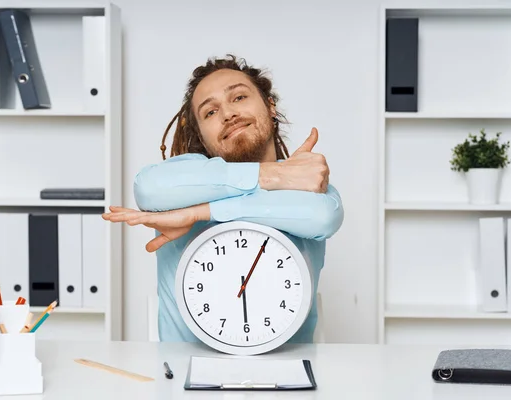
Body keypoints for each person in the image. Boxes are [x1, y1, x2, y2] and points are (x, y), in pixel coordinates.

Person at [102, 54, 344, 343]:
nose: (228, 113)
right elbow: (147, 189)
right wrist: (272, 175)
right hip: (183, 379)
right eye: (210, 112)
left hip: (289, 377)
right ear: (202, 138)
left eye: (239, 97)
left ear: (270, 106)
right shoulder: (186, 177)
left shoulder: (310, 184)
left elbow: (322, 216)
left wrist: (199, 213)